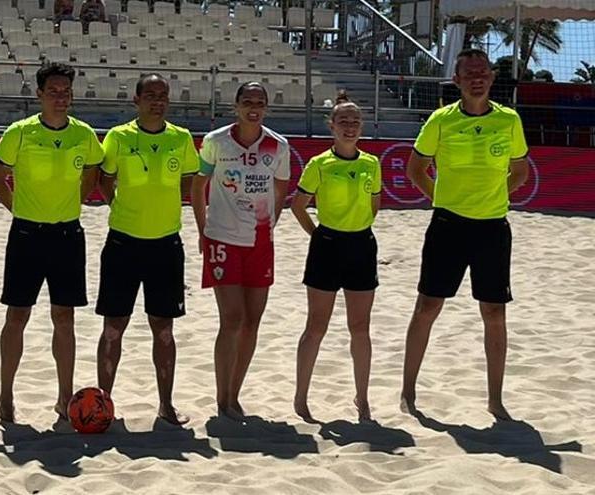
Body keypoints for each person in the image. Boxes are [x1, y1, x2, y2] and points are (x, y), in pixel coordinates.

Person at [400, 48, 529, 421]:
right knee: (428, 306)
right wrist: (442, 200)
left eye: (483, 72)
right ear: (456, 81)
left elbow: (520, 171)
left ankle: (495, 399)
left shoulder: (509, 120)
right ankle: (408, 392)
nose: (477, 77)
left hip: (492, 228)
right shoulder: (441, 120)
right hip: (448, 226)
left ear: (491, 78)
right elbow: (416, 169)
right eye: (469, 72)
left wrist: (494, 198)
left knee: (494, 311)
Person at [0, 62, 104, 424]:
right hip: (26, 235)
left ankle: (64, 396)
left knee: (64, 317)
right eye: (53, 91)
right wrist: (17, 209)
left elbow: (93, 172)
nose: (60, 97)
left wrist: (77, 201)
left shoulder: (84, 134)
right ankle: (6, 396)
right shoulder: (20, 132)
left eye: (65, 91)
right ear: (39, 95)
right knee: (17, 316)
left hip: (67, 235)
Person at [96, 73, 199, 426]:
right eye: (150, 95)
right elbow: (104, 179)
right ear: (136, 100)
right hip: (123, 243)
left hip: (166, 245)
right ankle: (104, 404)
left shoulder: (181, 138)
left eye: (163, 95)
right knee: (113, 328)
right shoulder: (119, 137)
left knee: (165, 330)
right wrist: (120, 207)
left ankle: (165, 406)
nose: (157, 100)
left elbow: (189, 181)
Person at [190, 82, 290, 420]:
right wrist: (203, 229)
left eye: (259, 102)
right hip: (223, 239)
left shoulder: (278, 146)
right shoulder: (216, 141)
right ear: (235, 105)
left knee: (252, 321)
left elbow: (281, 184)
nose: (253, 107)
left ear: (266, 107)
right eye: (247, 101)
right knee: (231, 318)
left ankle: (235, 394)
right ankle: (222, 399)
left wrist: (271, 219)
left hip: (260, 241)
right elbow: (198, 186)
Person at [291, 91, 382, 423]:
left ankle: (363, 397)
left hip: (361, 246)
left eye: (355, 121)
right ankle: (301, 397)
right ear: (331, 126)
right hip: (327, 246)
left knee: (360, 327)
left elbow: (374, 205)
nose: (350, 126)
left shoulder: (372, 163)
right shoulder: (320, 164)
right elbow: (298, 206)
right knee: (316, 326)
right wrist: (318, 236)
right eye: (343, 121)